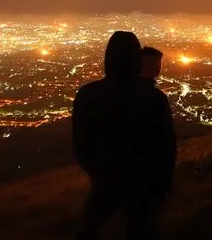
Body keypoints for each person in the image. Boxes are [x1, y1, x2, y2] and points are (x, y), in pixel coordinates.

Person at [72, 31, 177, 240]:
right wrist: (161, 186)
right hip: (144, 188)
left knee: (90, 231)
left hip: (104, 184)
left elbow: (81, 146)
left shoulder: (88, 95)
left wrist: (98, 173)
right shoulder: (154, 98)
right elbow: (167, 148)